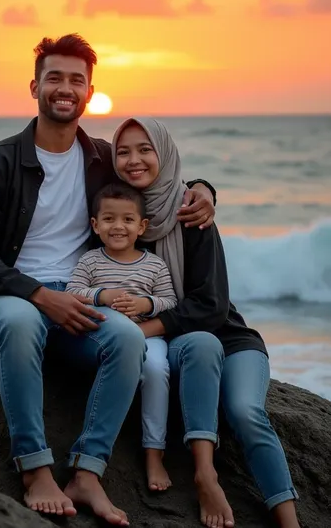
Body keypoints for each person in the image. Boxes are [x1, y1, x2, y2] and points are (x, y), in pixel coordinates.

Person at [0, 34, 217, 525]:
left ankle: (87, 471)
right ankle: (35, 468)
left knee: (126, 338)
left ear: (89, 90)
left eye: (76, 80)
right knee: (21, 323)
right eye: (54, 77)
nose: (65, 88)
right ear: (34, 86)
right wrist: (40, 296)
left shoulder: (101, 159)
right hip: (8, 296)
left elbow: (154, 177)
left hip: (79, 297)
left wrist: (205, 190)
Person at [112, 117, 301, 528]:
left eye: (146, 149)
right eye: (123, 151)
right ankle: (204, 473)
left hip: (231, 339)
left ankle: (290, 521)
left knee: (246, 411)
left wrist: (142, 330)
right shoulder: (117, 217)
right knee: (199, 343)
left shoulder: (192, 211)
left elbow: (213, 305)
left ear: (165, 153)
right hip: (183, 346)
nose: (134, 160)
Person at [67, 181, 177, 492]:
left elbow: (170, 300)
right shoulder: (90, 260)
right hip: (107, 336)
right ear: (95, 225)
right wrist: (101, 295)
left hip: (148, 335)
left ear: (142, 226)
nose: (118, 226)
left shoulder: (154, 265)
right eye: (109, 219)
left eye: (128, 220)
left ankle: (154, 453)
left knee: (156, 369)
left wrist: (147, 303)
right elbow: (72, 291)